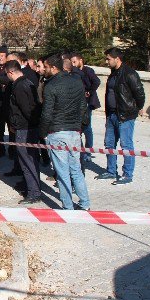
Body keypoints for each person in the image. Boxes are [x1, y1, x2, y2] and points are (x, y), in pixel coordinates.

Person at [39, 54, 90, 210]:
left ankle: (68, 207)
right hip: (74, 132)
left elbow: (47, 113)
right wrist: (81, 126)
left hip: (57, 133)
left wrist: (42, 133)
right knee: (76, 170)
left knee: (62, 173)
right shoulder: (77, 82)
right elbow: (83, 108)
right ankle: (85, 203)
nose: (44, 70)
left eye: (46, 67)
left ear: (54, 68)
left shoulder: (50, 86)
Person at [96, 47, 146, 185]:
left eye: (108, 59)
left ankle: (127, 174)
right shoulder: (113, 73)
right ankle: (111, 171)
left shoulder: (130, 74)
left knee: (126, 145)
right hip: (111, 115)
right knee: (109, 144)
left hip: (125, 116)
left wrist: (138, 107)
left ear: (117, 59)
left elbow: (139, 93)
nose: (106, 61)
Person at [5, 60, 42, 203]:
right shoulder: (28, 82)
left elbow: (26, 109)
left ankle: (34, 193)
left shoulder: (19, 86)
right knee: (31, 160)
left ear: (10, 72)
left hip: (24, 129)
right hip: (29, 127)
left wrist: (19, 124)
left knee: (27, 162)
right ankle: (32, 187)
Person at [70, 53, 101, 162]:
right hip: (78, 102)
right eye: (71, 62)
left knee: (87, 126)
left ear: (80, 60)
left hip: (87, 102)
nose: (73, 64)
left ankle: (88, 151)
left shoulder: (88, 71)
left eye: (74, 61)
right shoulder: (73, 72)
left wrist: (89, 91)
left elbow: (97, 81)